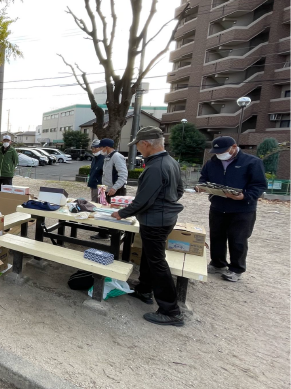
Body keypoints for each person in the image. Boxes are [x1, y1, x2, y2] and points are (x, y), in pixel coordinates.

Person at [110, 126, 185, 327]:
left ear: (146, 144)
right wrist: (166, 202)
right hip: (164, 218)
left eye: (138, 146)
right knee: (150, 257)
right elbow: (179, 190)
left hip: (155, 220)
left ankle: (171, 310)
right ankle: (144, 289)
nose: (139, 150)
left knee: (157, 262)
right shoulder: (171, 162)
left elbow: (143, 199)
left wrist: (121, 213)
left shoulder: (155, 167)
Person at [197, 136, 267, 283]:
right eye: (216, 151)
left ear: (234, 147)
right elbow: (204, 178)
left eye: (223, 151)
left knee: (238, 239)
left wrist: (245, 196)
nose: (220, 154)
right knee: (217, 237)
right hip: (218, 206)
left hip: (242, 209)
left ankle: (236, 269)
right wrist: (201, 187)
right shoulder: (212, 163)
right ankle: (217, 263)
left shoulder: (252, 162)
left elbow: (259, 185)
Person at [87, 139, 109, 240]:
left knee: (100, 206)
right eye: (92, 148)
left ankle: (103, 233)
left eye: (95, 148)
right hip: (94, 184)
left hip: (100, 186)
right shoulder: (95, 158)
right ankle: (96, 225)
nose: (93, 150)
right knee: (94, 204)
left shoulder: (104, 158)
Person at [0, 134, 18, 208]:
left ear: (10, 142)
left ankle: (6, 203)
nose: (6, 142)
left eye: (7, 141)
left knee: (7, 190)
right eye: (4, 140)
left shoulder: (12, 150)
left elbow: (15, 161)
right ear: (2, 141)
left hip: (7, 174)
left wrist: (10, 168)